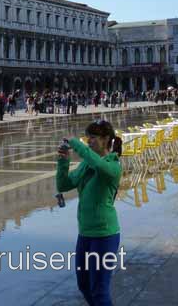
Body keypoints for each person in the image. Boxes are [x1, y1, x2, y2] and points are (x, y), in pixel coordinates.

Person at [57, 120, 122, 306]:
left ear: (105, 139)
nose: (88, 141)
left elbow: (99, 166)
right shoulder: (86, 164)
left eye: (92, 138)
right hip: (85, 233)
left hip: (105, 235)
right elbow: (63, 185)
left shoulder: (113, 166)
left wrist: (76, 143)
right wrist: (63, 161)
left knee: (99, 290)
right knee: (84, 285)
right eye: (87, 138)